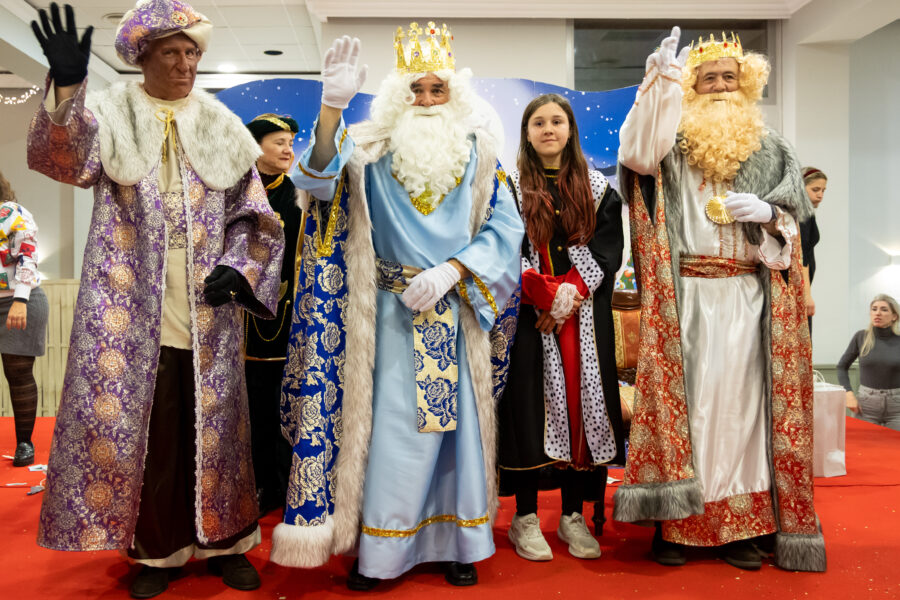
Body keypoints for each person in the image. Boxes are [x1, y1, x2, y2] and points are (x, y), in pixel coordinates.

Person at [26, 2, 283, 598]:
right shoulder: (110, 114)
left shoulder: (221, 124)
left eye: (192, 53)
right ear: (143, 57)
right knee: (154, 430)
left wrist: (240, 268)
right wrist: (66, 88)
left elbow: (256, 218)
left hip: (208, 307)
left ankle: (228, 545)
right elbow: (61, 159)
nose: (186, 63)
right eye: (172, 52)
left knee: (217, 427)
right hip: (128, 301)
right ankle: (158, 553)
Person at [270, 25, 524, 589]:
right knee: (391, 434)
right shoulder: (365, 149)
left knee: (455, 437)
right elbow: (315, 183)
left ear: (454, 95)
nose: (426, 101)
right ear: (396, 95)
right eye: (416, 89)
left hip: (453, 310)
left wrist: (453, 270)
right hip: (385, 317)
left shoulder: (480, 154)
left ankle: (458, 543)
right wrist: (331, 111)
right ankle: (382, 551)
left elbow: (507, 230)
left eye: (437, 89)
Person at [613, 27, 825, 572]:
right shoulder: (671, 142)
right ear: (693, 87)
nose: (721, 86)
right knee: (693, 411)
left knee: (745, 414)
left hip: (750, 301)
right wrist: (658, 85)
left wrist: (772, 216)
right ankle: (678, 525)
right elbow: (636, 155)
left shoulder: (772, 149)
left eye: (730, 77)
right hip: (688, 301)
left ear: (746, 84)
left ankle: (741, 530)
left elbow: (792, 230)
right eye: (708, 78)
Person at [498, 94, 624, 562]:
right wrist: (543, 295)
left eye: (557, 121)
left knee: (580, 414)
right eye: (538, 123)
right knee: (529, 410)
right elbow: (505, 248)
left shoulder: (599, 188)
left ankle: (573, 514)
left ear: (570, 130)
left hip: (584, 318)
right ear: (527, 133)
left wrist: (567, 297)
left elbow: (608, 249)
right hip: (530, 319)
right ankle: (526, 516)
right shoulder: (508, 188)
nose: (548, 129)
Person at [243, 113, 305, 515]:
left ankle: (277, 485)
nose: (288, 150)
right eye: (279, 142)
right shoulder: (234, 192)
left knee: (276, 400)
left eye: (290, 143)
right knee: (243, 403)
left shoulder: (298, 196)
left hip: (281, 318)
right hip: (234, 318)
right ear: (256, 146)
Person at [0, 171, 49, 468]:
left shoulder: (12, 213)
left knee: (17, 373)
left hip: (19, 302)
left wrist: (20, 299)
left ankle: (24, 443)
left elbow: (27, 256)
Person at [837, 294, 900, 429]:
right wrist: (848, 393)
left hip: (897, 407)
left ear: (894, 316)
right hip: (866, 406)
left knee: (895, 443)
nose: (877, 313)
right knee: (864, 442)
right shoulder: (861, 337)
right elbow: (842, 367)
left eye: (884, 309)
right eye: (874, 309)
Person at [800, 167, 826, 333]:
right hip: (799, 288)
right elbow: (802, 256)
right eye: (815, 190)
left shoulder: (806, 213)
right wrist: (807, 295)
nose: (820, 195)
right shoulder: (802, 214)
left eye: (823, 190)